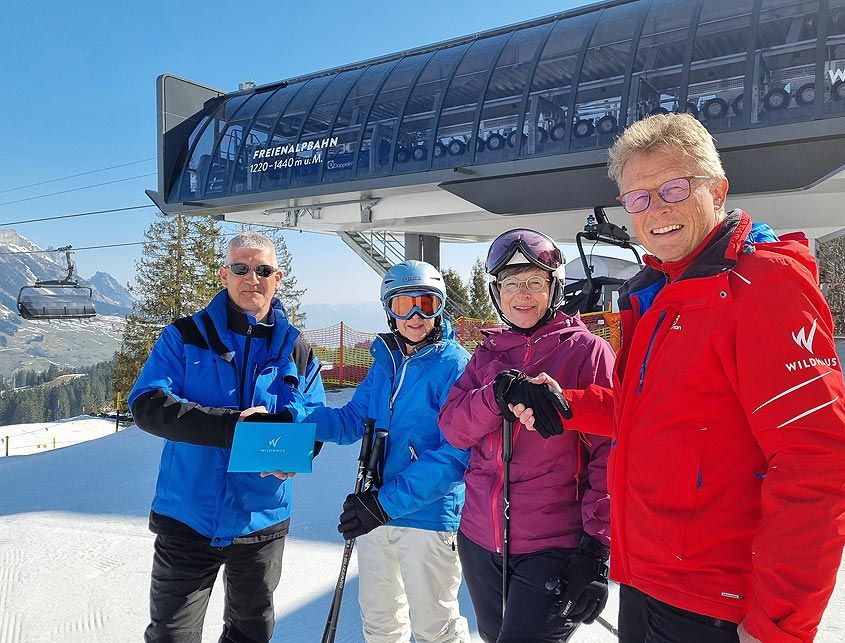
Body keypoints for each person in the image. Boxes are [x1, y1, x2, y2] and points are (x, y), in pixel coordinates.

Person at [510, 114, 845, 643]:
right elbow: (651, 412)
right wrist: (568, 402)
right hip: (646, 579)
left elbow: (817, 463)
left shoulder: (764, 286)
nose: (656, 209)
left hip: (714, 604)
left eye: (674, 187)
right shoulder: (661, 293)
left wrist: (778, 627)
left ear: (717, 190)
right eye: (638, 198)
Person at [129, 231, 326, 643]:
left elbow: (314, 423)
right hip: (187, 517)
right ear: (224, 274)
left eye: (263, 269)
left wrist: (295, 453)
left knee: (250, 636)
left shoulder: (297, 348)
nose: (251, 277)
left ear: (278, 277)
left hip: (262, 522)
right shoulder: (185, 336)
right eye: (241, 268)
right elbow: (147, 403)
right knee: (171, 636)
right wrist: (233, 428)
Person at [438, 229, 616, 643]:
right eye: (511, 284)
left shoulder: (586, 352)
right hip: (481, 539)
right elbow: (453, 428)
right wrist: (495, 394)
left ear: (554, 287)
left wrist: (597, 549)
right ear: (496, 292)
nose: (523, 294)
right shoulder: (487, 356)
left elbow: (610, 452)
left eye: (535, 282)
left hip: (553, 543)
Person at [308, 260, 471, 643]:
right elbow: (351, 420)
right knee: (380, 623)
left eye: (426, 304)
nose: (415, 316)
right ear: (389, 310)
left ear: (440, 307)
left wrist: (384, 504)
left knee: (435, 628)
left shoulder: (455, 365)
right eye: (403, 305)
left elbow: (454, 456)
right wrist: (297, 420)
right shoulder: (386, 362)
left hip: (426, 517)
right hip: (374, 509)